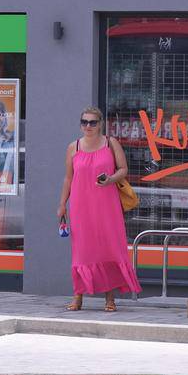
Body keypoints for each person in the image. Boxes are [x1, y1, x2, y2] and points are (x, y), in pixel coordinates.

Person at [58, 106, 141, 312]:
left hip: (107, 204)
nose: (88, 126)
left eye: (92, 122)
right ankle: (78, 295)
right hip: (80, 205)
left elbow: (123, 169)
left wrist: (110, 179)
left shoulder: (110, 144)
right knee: (82, 250)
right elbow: (69, 178)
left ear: (100, 123)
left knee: (108, 248)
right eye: (84, 122)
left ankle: (110, 298)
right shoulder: (73, 147)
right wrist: (61, 204)